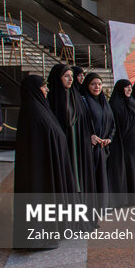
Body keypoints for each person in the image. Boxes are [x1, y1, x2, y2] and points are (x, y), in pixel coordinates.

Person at [13, 75, 78, 248]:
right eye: (43, 87)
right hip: (40, 171)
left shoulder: (41, 109)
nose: (47, 89)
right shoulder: (32, 113)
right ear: (35, 89)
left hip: (50, 165)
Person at [47, 64, 96, 196]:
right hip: (62, 143)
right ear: (58, 78)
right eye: (66, 76)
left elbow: (84, 119)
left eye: (71, 76)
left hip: (78, 141)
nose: (70, 79)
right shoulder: (51, 97)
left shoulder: (76, 96)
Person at [108, 79, 135, 205]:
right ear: (120, 89)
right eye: (125, 88)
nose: (128, 90)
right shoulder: (115, 105)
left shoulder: (132, 102)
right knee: (127, 172)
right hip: (124, 146)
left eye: (129, 87)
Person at [82, 73, 116, 197]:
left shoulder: (104, 102)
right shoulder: (83, 101)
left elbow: (112, 123)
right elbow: (81, 125)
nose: (97, 87)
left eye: (99, 84)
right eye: (93, 84)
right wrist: (89, 136)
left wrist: (109, 138)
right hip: (90, 148)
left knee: (103, 178)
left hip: (104, 148)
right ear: (87, 85)